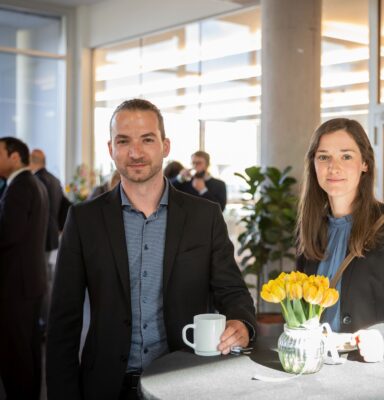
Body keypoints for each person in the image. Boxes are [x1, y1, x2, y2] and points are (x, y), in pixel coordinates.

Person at [46, 99, 256, 400]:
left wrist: (242, 322)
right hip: (105, 387)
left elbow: (233, 292)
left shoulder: (204, 216)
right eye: (123, 141)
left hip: (186, 383)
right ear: (111, 149)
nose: (135, 153)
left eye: (147, 139)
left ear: (165, 146)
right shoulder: (83, 220)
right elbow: (63, 321)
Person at [296, 118, 384, 363]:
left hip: (365, 368)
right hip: (313, 364)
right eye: (324, 157)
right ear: (313, 164)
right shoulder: (309, 229)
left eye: (346, 156)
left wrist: (382, 339)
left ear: (365, 163)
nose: (333, 167)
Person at [0, 137, 49, 400]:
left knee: (15, 350)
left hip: (15, 283)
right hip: (30, 279)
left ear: (15, 157)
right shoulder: (34, 183)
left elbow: (8, 234)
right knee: (28, 347)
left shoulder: (19, 186)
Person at [30, 148, 66, 329]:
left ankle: (47, 320)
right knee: (48, 277)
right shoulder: (55, 180)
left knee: (43, 280)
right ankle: (49, 318)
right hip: (53, 235)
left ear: (32, 162)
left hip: (41, 236)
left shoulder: (36, 181)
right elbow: (64, 206)